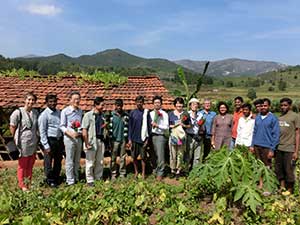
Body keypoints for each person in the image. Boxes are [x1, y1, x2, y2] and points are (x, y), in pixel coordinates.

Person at [10, 92, 39, 191]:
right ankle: (22, 185)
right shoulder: (18, 112)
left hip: (33, 141)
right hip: (22, 142)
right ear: (25, 100)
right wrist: (14, 139)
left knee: (31, 163)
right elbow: (12, 127)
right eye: (29, 99)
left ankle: (28, 183)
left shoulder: (35, 113)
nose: (30, 102)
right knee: (23, 164)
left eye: (32, 100)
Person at [250, 98, 280, 188]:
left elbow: (276, 135)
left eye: (265, 105)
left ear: (269, 106)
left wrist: (272, 149)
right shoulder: (258, 117)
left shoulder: (273, 118)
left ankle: (268, 186)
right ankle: (260, 184)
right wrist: (252, 145)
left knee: (267, 167)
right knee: (259, 166)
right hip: (257, 145)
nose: (263, 107)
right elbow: (254, 132)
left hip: (267, 146)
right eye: (262, 105)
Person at [38, 93, 64, 187]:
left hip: (59, 140)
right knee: (48, 161)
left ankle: (56, 177)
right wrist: (46, 145)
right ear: (47, 103)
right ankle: (50, 180)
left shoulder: (59, 112)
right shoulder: (44, 115)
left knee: (58, 160)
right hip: (50, 140)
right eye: (50, 102)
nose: (53, 103)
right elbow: (42, 131)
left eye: (54, 101)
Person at [275, 98, 300, 193]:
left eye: (285, 105)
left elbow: (298, 134)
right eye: (281, 105)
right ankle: (282, 188)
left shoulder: (295, 117)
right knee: (279, 169)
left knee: (288, 169)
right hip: (279, 147)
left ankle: (290, 190)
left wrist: (296, 151)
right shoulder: (279, 117)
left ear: (290, 106)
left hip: (289, 148)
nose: (283, 107)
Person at [60, 91, 83, 186]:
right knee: (69, 159)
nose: (77, 101)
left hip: (78, 138)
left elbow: (82, 125)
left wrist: (80, 132)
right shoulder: (65, 111)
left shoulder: (80, 111)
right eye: (75, 99)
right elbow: (61, 126)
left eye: (78, 99)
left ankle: (76, 176)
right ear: (70, 100)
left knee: (77, 159)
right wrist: (70, 133)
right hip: (69, 138)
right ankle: (70, 180)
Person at [82, 97, 105, 186]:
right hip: (91, 141)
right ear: (96, 105)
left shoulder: (102, 115)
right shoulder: (88, 115)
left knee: (100, 161)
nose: (103, 107)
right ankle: (90, 180)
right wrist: (86, 142)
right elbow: (84, 130)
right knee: (90, 161)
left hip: (100, 140)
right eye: (102, 105)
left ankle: (98, 177)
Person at [128, 96, 150, 179]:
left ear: (143, 103)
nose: (139, 103)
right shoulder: (132, 113)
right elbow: (130, 126)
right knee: (134, 157)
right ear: (135, 103)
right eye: (138, 102)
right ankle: (136, 172)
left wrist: (147, 140)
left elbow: (149, 127)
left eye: (141, 102)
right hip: (134, 139)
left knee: (143, 157)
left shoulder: (146, 113)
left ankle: (143, 173)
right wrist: (129, 139)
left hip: (143, 139)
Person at [169, 97, 191, 178]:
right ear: (175, 105)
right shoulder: (170, 114)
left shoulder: (185, 114)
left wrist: (184, 125)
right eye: (177, 104)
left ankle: (178, 170)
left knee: (180, 154)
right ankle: (172, 170)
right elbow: (167, 125)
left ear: (183, 105)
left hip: (181, 137)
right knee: (172, 154)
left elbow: (189, 125)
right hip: (173, 136)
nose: (179, 105)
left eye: (180, 104)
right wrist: (174, 125)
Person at [149, 96, 169, 181]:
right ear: (153, 104)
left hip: (160, 136)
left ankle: (160, 173)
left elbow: (166, 127)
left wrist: (158, 126)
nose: (157, 104)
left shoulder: (164, 114)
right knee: (153, 154)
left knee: (160, 155)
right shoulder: (150, 114)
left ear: (161, 104)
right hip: (151, 135)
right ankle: (155, 169)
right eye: (155, 102)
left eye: (158, 103)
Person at [109, 99, 129, 179]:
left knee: (123, 157)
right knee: (113, 158)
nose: (119, 107)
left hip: (123, 139)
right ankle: (113, 173)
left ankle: (122, 173)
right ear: (115, 106)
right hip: (114, 140)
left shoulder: (125, 115)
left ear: (122, 106)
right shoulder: (111, 115)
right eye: (117, 106)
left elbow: (128, 127)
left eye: (120, 106)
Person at [185, 98, 204, 170]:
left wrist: (201, 126)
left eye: (196, 104)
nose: (195, 106)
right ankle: (186, 170)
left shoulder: (200, 114)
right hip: (189, 135)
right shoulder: (187, 114)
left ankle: (195, 171)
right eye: (193, 104)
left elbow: (201, 126)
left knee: (197, 156)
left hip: (198, 136)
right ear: (190, 105)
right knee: (188, 155)